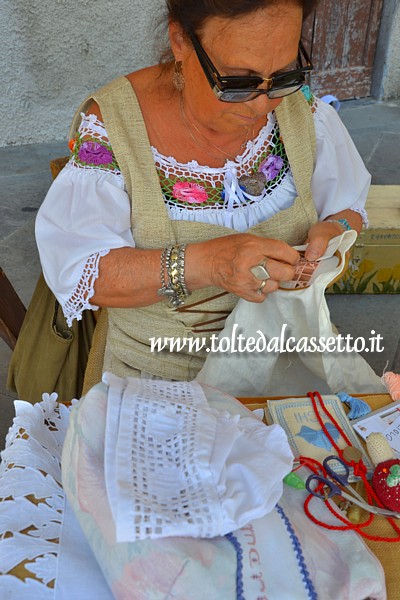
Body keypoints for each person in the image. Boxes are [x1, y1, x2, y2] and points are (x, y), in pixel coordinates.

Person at [35, 0, 370, 383]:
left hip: (291, 361)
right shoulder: (114, 127)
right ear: (180, 40)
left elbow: (348, 209)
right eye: (237, 80)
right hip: (159, 376)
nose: (264, 103)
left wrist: (334, 231)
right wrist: (209, 263)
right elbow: (83, 273)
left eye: (284, 74)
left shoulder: (301, 110)